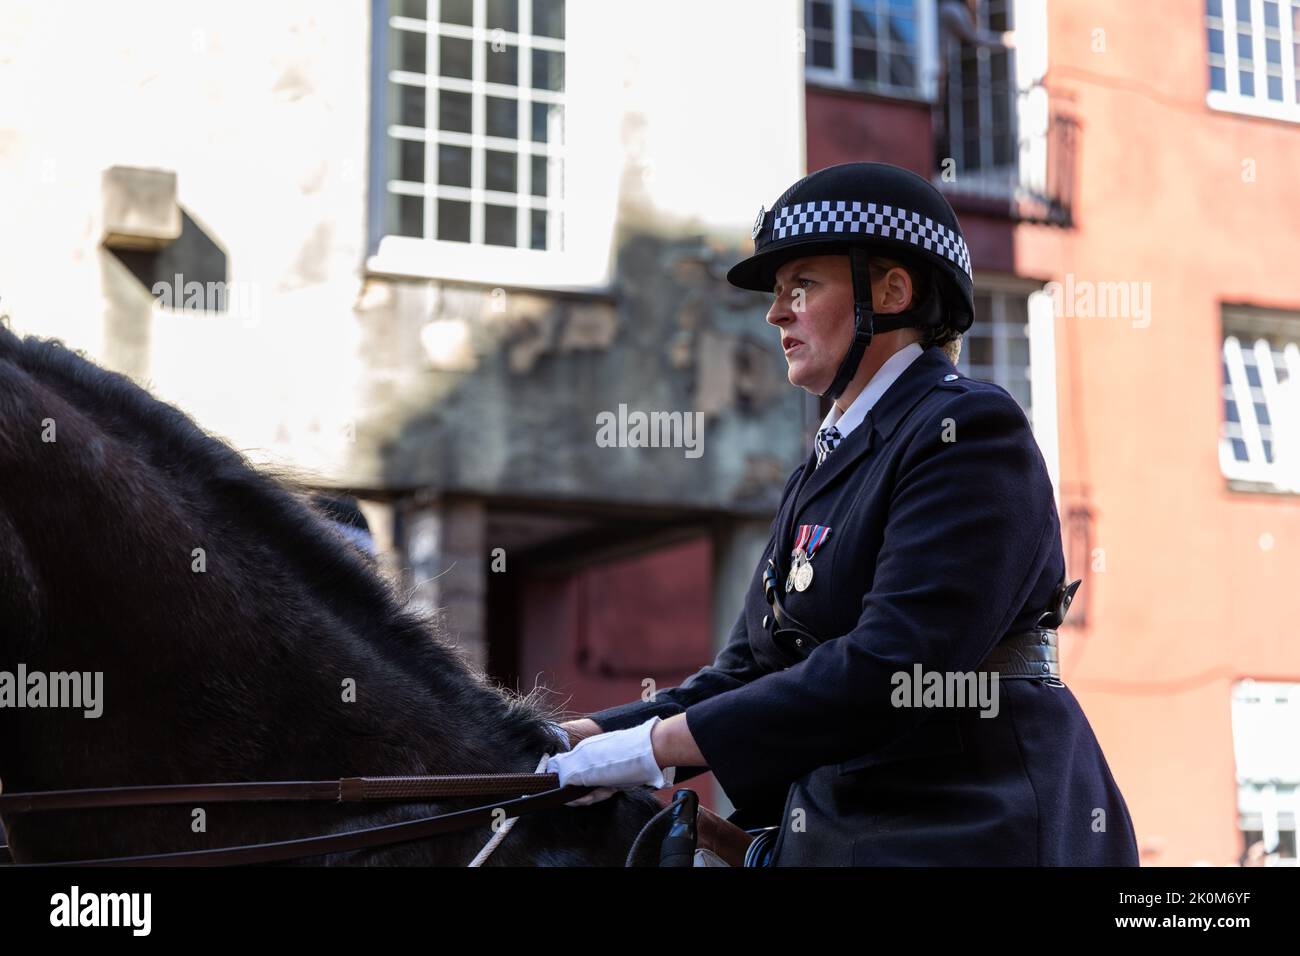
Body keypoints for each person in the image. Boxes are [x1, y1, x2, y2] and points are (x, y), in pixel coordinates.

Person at [549, 162, 1139, 866]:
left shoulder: (969, 430)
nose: (776, 313)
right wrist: (568, 740)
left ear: (893, 291)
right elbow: (743, 673)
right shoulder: (822, 464)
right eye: (777, 294)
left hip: (972, 823)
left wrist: (650, 751)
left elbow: (893, 662)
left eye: (803, 286)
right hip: (843, 822)